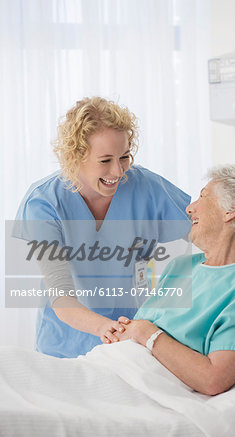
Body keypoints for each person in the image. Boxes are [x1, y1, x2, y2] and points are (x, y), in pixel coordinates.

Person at [13, 96, 191, 358]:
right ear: (76, 156)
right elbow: (62, 298)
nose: (118, 171)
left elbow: (206, 230)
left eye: (124, 157)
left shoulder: (147, 188)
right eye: (105, 160)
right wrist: (107, 329)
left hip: (132, 341)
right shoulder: (44, 203)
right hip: (65, 347)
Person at [103, 164, 235, 395]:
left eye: (203, 196)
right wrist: (123, 332)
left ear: (232, 210)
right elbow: (137, 331)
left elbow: (213, 379)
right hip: (110, 368)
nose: (189, 209)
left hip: (141, 389)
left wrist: (144, 332)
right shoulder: (182, 265)